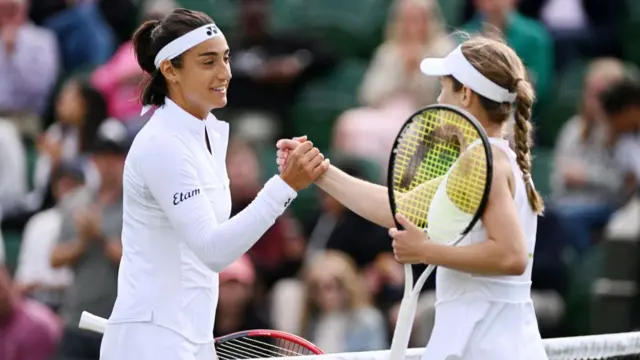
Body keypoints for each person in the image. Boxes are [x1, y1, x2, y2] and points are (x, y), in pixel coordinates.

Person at [277, 35, 547, 360]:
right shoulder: (497, 158)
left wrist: (426, 250)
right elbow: (398, 208)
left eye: (444, 86)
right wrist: (319, 172)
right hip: (495, 342)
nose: (437, 96)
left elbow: (511, 257)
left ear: (465, 94)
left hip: (484, 345)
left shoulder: (480, 160)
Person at [99, 8, 329, 360]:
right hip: (152, 344)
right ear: (170, 70)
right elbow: (213, 251)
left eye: (226, 58)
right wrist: (284, 187)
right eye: (208, 62)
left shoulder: (207, 132)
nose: (225, 73)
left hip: (189, 340)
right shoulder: (163, 144)